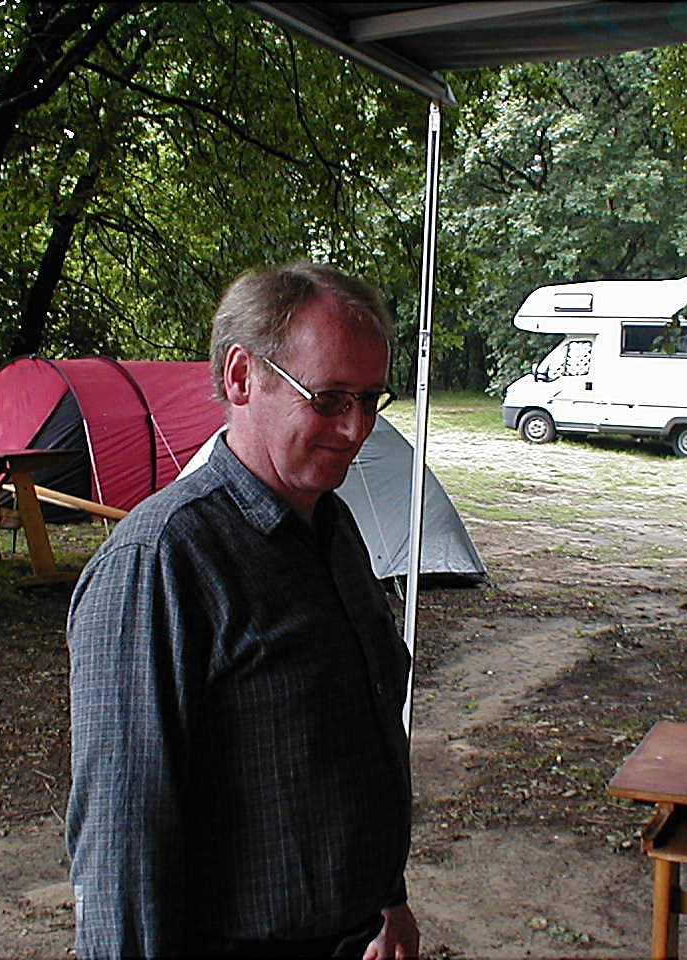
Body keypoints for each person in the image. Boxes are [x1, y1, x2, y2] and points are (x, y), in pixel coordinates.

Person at [66, 262, 419, 959]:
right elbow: (121, 841)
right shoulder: (161, 560)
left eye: (371, 399)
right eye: (329, 398)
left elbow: (351, 741)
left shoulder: (332, 527)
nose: (357, 429)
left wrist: (387, 897)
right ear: (241, 377)